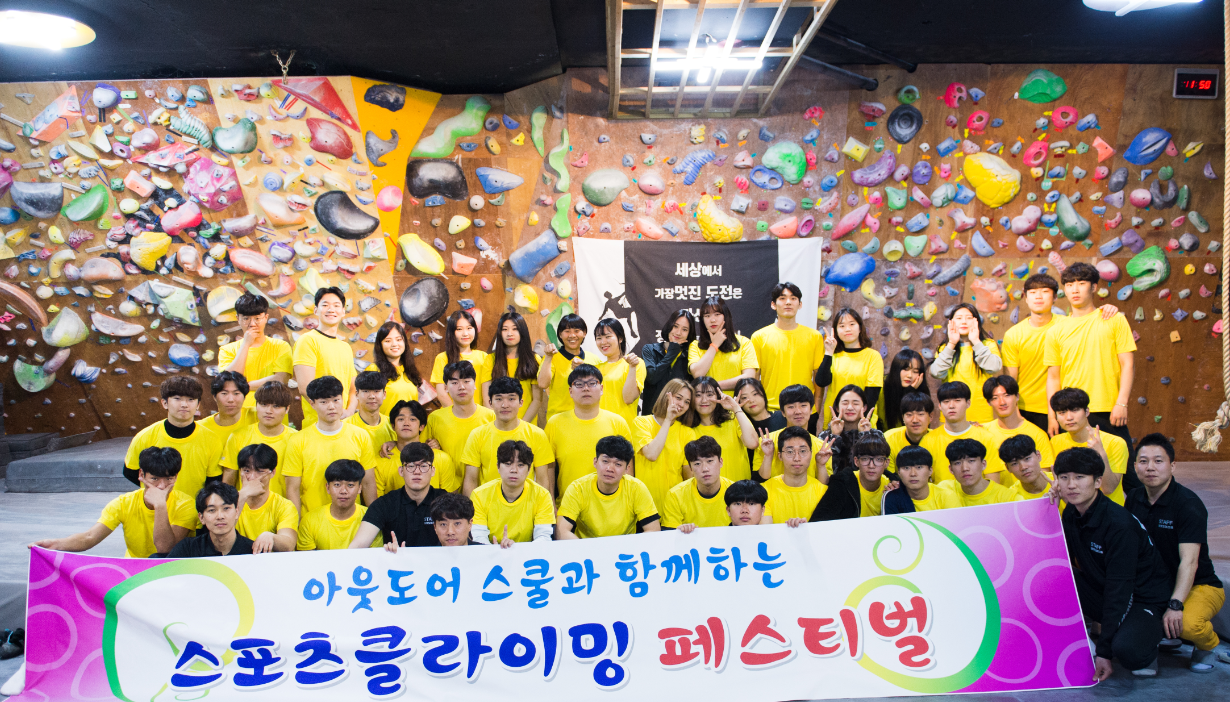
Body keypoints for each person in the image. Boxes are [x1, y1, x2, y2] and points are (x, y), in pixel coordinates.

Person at [1057, 447, 1171, 680]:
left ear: (1098, 481)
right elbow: (1058, 556)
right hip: (1105, 587)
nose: (1071, 485)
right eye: (1064, 477)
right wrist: (1047, 504)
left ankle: (1149, 635)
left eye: (1080, 477)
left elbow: (1120, 590)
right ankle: (1110, 631)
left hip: (1142, 597)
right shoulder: (1070, 513)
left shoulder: (1119, 525)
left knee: (1127, 650)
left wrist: (1103, 653)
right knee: (1055, 577)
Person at [1125, 434, 1229, 671]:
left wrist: (1175, 605)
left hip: (1199, 584)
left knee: (1189, 625)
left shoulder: (1188, 504)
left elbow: (1189, 562)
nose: (1150, 467)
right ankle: (1160, 638)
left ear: (1172, 466)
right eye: (1143, 461)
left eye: (1158, 461)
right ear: (1135, 466)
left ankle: (1209, 646)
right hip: (1156, 583)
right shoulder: (1134, 498)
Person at [1045, 263, 1136, 485]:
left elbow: (1128, 364)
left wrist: (1121, 403)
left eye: (1081, 283)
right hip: (1072, 412)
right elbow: (1054, 377)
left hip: (1108, 409)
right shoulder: (1055, 330)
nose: (1075, 289)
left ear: (1094, 287)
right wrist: (1052, 415)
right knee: (1076, 476)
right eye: (1069, 284)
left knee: (1128, 478)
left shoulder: (1113, 319)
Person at [30, 447, 195, 558]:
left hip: (171, 571)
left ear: (176, 477)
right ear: (141, 475)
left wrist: (160, 506)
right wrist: (56, 544)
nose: (161, 486)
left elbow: (165, 550)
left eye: (169, 479)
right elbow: (90, 537)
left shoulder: (186, 505)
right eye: (154, 478)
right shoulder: (123, 503)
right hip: (135, 571)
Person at [283, 376, 377, 515]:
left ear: (343, 399)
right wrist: (296, 524)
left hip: (352, 520)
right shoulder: (297, 441)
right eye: (324, 402)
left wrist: (374, 519)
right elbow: (292, 489)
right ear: (312, 403)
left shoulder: (360, 436)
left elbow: (368, 483)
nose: (331, 406)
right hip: (311, 520)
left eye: (336, 400)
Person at [123, 377, 224, 503]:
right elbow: (130, 472)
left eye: (191, 399)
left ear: (198, 405)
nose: (184, 404)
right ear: (164, 403)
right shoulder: (144, 437)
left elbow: (213, 480)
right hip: (154, 510)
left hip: (193, 510)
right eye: (177, 398)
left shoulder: (212, 439)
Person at [544, 364, 633, 500]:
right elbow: (548, 467)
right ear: (570, 391)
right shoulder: (555, 423)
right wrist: (550, 503)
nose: (586, 388)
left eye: (592, 383)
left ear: (601, 389)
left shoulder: (618, 423)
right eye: (579, 384)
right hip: (568, 505)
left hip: (611, 505)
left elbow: (628, 469)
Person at [461, 376, 555, 495]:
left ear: (521, 402)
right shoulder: (477, 435)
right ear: (490, 403)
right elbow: (471, 480)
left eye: (511, 399)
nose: (505, 405)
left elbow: (542, 481)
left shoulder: (537, 434)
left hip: (526, 504)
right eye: (499, 399)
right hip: (487, 504)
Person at [557, 436, 659, 539]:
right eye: (605, 461)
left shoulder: (637, 488)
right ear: (595, 462)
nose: (610, 469)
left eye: (618, 464)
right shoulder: (577, 489)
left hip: (625, 547)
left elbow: (654, 530)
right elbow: (561, 532)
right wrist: (588, 548)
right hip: (587, 547)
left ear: (627, 469)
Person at [351, 443, 446, 549]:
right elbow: (357, 546)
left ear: (432, 471)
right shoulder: (385, 504)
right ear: (401, 471)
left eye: (423, 466)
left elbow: (461, 542)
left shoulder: (447, 502)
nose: (417, 472)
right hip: (395, 558)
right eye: (411, 466)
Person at [422, 361, 495, 493]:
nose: (461, 387)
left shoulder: (491, 417)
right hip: (447, 492)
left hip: (482, 492)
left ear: (475, 385)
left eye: (466, 381)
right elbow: (421, 450)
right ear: (446, 387)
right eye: (454, 383)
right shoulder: (435, 418)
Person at [751, 282, 824, 412]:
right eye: (782, 298)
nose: (788, 302)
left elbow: (818, 376)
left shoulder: (814, 336)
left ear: (800, 304)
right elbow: (755, 377)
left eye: (793, 298)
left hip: (805, 410)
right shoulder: (759, 337)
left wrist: (816, 408)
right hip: (771, 410)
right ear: (773, 304)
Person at [1050, 388, 1129, 504]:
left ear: (1087, 412)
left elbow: (1108, 489)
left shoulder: (1115, 442)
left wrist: (1100, 453)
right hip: (1070, 511)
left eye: (1075, 410)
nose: (1069, 417)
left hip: (1107, 511)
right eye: (1062, 413)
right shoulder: (1055, 441)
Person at [470, 440, 556, 547]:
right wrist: (494, 550)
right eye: (508, 464)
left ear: (529, 469)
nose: (514, 470)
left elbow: (543, 537)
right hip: (491, 553)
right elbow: (478, 537)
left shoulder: (542, 495)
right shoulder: (479, 495)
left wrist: (517, 550)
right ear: (498, 467)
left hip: (527, 553)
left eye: (520, 465)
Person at [292, 286, 356, 427]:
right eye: (325, 305)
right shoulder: (307, 341)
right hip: (317, 425)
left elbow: (353, 387)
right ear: (316, 310)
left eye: (336, 305)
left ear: (343, 311)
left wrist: (349, 412)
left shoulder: (345, 347)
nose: (331, 309)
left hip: (344, 424)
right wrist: (335, 412)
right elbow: (305, 388)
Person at [218, 292, 292, 414]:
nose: (252, 324)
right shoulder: (227, 350)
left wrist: (242, 386)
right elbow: (228, 382)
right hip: (238, 414)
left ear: (266, 318)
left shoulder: (280, 346)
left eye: (257, 318)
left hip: (272, 414)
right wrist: (246, 344)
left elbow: (280, 379)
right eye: (246, 318)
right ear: (238, 319)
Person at [220, 381, 297, 496]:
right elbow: (228, 484)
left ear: (287, 409)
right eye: (263, 404)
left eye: (276, 406)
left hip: (283, 506)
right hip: (245, 505)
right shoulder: (238, 436)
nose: (269, 411)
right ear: (256, 405)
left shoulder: (297, 439)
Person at [929, 303, 1002, 424]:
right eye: (959, 318)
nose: (963, 322)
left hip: (982, 415)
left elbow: (994, 367)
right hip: (952, 415)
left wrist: (976, 341)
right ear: (951, 323)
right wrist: (951, 343)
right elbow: (936, 373)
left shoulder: (988, 344)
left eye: (968, 318)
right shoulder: (945, 348)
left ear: (976, 321)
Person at [632, 378, 697, 510]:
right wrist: (668, 419)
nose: (682, 404)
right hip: (644, 502)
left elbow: (688, 475)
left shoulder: (688, 433)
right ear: (667, 395)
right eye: (678, 398)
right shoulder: (641, 423)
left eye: (687, 402)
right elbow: (651, 454)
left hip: (675, 503)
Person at [919, 382, 1003, 483]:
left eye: (957, 401)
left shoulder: (986, 438)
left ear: (968, 403)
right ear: (940, 406)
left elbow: (993, 483)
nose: (951, 406)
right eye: (946, 401)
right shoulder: (928, 441)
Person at [814, 308, 883, 428]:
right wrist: (829, 352)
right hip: (835, 421)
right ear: (836, 331)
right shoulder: (833, 356)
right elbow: (821, 381)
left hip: (862, 424)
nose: (847, 329)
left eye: (852, 324)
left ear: (860, 328)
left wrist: (860, 423)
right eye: (842, 326)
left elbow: (872, 396)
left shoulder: (873, 356)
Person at [982, 375, 1056, 487]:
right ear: (988, 402)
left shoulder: (1037, 434)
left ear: (1017, 396)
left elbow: (1045, 477)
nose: (1002, 402)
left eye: (1007, 395)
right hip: (996, 495)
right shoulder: (982, 431)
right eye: (995, 398)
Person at [297, 459, 380, 550]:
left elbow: (374, 556)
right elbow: (307, 558)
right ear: (328, 488)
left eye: (350, 485)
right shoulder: (310, 521)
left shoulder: (372, 518)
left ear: (360, 488)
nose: (343, 491)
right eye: (337, 485)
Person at [374, 400, 453, 496]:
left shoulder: (441, 458)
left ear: (422, 426)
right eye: (401, 419)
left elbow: (451, 500)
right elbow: (377, 502)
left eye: (412, 419)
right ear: (393, 426)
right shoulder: (380, 462)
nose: (406, 423)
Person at [232, 444, 298, 553]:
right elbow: (220, 535)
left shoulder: (284, 506)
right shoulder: (226, 503)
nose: (252, 477)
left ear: (273, 472)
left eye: (259, 471)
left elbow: (289, 545)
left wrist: (271, 537)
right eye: (246, 470)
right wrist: (243, 495)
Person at [690, 376, 757, 482]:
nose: (704, 400)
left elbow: (753, 443)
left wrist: (736, 408)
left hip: (738, 489)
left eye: (709, 394)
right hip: (707, 490)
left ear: (718, 396)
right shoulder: (687, 429)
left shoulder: (732, 418)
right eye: (698, 395)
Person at [810, 435, 894, 520]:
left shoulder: (893, 486)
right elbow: (822, 518)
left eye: (879, 459)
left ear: (886, 463)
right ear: (856, 461)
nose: (871, 466)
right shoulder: (843, 483)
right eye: (865, 459)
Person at [662, 436, 734, 531]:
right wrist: (680, 531)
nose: (705, 469)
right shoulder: (675, 495)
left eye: (710, 461)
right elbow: (670, 536)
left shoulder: (736, 492)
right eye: (697, 464)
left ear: (720, 462)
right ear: (690, 468)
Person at [480, 308, 542, 420]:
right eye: (505, 329)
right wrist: (499, 424)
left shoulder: (534, 359)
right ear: (500, 333)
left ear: (522, 332)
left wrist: (521, 425)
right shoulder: (490, 360)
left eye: (515, 329)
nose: (509, 333)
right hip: (498, 424)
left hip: (526, 424)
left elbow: (537, 400)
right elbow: (486, 399)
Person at [688, 296, 757, 394]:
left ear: (726, 316)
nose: (712, 320)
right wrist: (714, 345)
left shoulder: (744, 342)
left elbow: (749, 377)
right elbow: (698, 374)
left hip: (735, 402)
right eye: (707, 316)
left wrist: (712, 386)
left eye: (717, 314)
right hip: (707, 402)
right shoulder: (695, 345)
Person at [167, 483, 256, 557]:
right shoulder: (187, 549)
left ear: (237, 512)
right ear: (201, 517)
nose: (220, 516)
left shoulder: (254, 551)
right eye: (212, 510)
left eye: (226, 508)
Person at [754, 385, 823, 481]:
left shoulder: (821, 446)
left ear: (811, 409)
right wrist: (768, 456)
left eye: (803, 406)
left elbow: (823, 485)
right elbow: (759, 480)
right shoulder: (766, 441)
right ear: (782, 412)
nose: (798, 411)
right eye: (791, 407)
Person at [763, 427, 831, 523]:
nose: (796, 458)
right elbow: (766, 529)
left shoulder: (824, 492)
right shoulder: (764, 491)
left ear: (811, 454)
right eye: (790, 452)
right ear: (780, 456)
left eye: (802, 451)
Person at [816, 384, 883, 477]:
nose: (850, 407)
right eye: (845, 403)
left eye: (855, 403)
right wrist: (835, 436)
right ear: (837, 408)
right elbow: (827, 471)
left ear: (864, 408)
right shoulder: (824, 436)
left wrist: (865, 436)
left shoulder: (876, 435)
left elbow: (873, 469)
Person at [640, 309, 695, 415]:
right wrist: (672, 352)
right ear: (669, 325)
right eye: (675, 326)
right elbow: (652, 378)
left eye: (684, 329)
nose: (678, 332)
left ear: (689, 333)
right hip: (651, 416)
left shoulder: (691, 356)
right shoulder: (650, 349)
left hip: (679, 417)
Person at [591, 318, 645, 426]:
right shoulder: (596, 369)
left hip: (624, 429)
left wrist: (632, 367)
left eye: (608, 336)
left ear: (620, 338)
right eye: (599, 338)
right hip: (599, 428)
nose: (603, 342)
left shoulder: (635, 363)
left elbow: (628, 398)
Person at [369, 321, 428, 416]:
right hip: (385, 425)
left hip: (407, 424)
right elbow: (367, 406)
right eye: (388, 341)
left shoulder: (409, 370)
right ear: (380, 345)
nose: (394, 344)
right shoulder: (374, 370)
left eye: (398, 339)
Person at [431, 309, 488, 408]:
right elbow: (441, 393)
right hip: (451, 414)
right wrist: (457, 414)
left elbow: (487, 394)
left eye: (469, 328)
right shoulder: (442, 358)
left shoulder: (484, 357)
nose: (465, 333)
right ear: (452, 332)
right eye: (459, 329)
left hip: (478, 415)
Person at [939, 440, 1022, 507]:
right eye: (957, 463)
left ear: (983, 464)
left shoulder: (1010, 499)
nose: (965, 468)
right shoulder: (943, 491)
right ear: (951, 469)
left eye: (971, 461)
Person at [883, 446, 961, 514]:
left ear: (930, 471)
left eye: (919, 467)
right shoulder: (891, 497)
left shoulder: (947, 496)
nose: (913, 474)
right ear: (899, 472)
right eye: (906, 468)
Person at [539, 313, 589, 420]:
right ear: (560, 334)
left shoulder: (593, 359)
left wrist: (584, 370)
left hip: (587, 418)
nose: (572, 335)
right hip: (558, 419)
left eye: (576, 331)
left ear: (584, 333)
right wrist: (548, 357)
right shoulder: (552, 357)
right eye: (567, 331)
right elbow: (543, 384)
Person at [734, 377, 786, 469]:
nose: (751, 400)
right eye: (744, 397)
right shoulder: (741, 425)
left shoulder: (783, 416)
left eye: (755, 394)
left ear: (763, 394)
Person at [197, 370, 254, 445]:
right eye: (224, 393)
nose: (230, 400)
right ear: (214, 397)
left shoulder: (257, 416)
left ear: (244, 397)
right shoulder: (201, 428)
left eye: (236, 393)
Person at [881, 349, 930, 431]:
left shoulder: (922, 390)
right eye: (906, 369)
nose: (910, 375)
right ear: (896, 369)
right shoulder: (883, 387)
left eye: (915, 371)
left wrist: (910, 392)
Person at [885, 391, 933, 472]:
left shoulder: (939, 440)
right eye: (909, 415)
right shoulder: (888, 439)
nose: (915, 420)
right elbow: (888, 476)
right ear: (903, 418)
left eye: (920, 414)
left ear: (931, 417)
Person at [998, 435, 1056, 501]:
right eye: (1014, 463)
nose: (1023, 467)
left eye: (1027, 459)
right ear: (1008, 468)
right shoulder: (1010, 498)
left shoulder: (1061, 481)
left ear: (1038, 456)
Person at [344, 370, 395, 445]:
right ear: (357, 395)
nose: (371, 396)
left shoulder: (393, 426)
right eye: (366, 391)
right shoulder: (345, 426)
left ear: (384, 394)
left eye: (376, 391)